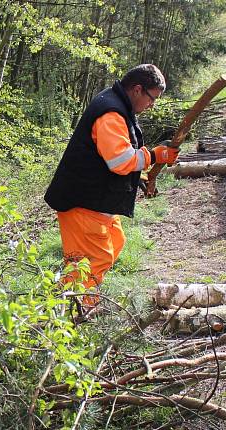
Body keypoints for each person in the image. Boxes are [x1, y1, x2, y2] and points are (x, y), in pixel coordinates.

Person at [44, 64, 179, 315]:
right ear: (137, 90)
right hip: (83, 202)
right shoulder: (111, 113)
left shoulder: (118, 105)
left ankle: (68, 305)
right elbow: (119, 161)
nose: (152, 105)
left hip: (94, 199)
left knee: (114, 243)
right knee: (92, 261)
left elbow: (118, 154)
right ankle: (74, 315)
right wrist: (152, 156)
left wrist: (147, 167)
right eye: (152, 98)